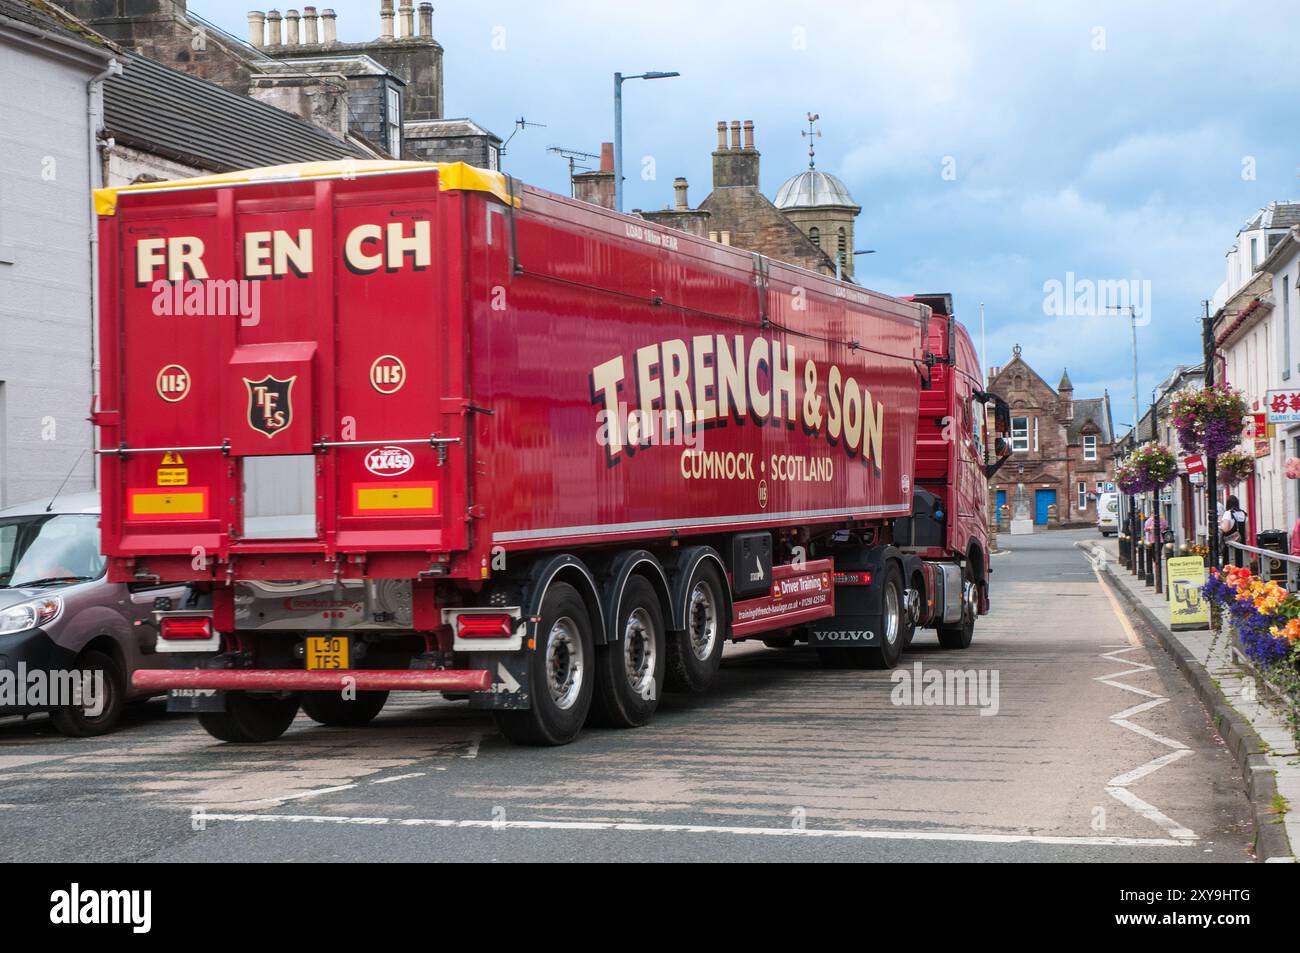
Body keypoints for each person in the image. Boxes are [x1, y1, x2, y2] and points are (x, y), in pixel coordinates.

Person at [1219, 495, 1247, 567]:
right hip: (1241, 543)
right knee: (1240, 564)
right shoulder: (1244, 513)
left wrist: (1221, 524)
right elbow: (1246, 531)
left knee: (1230, 566)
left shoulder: (1228, 513)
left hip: (1230, 545)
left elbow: (1225, 528)